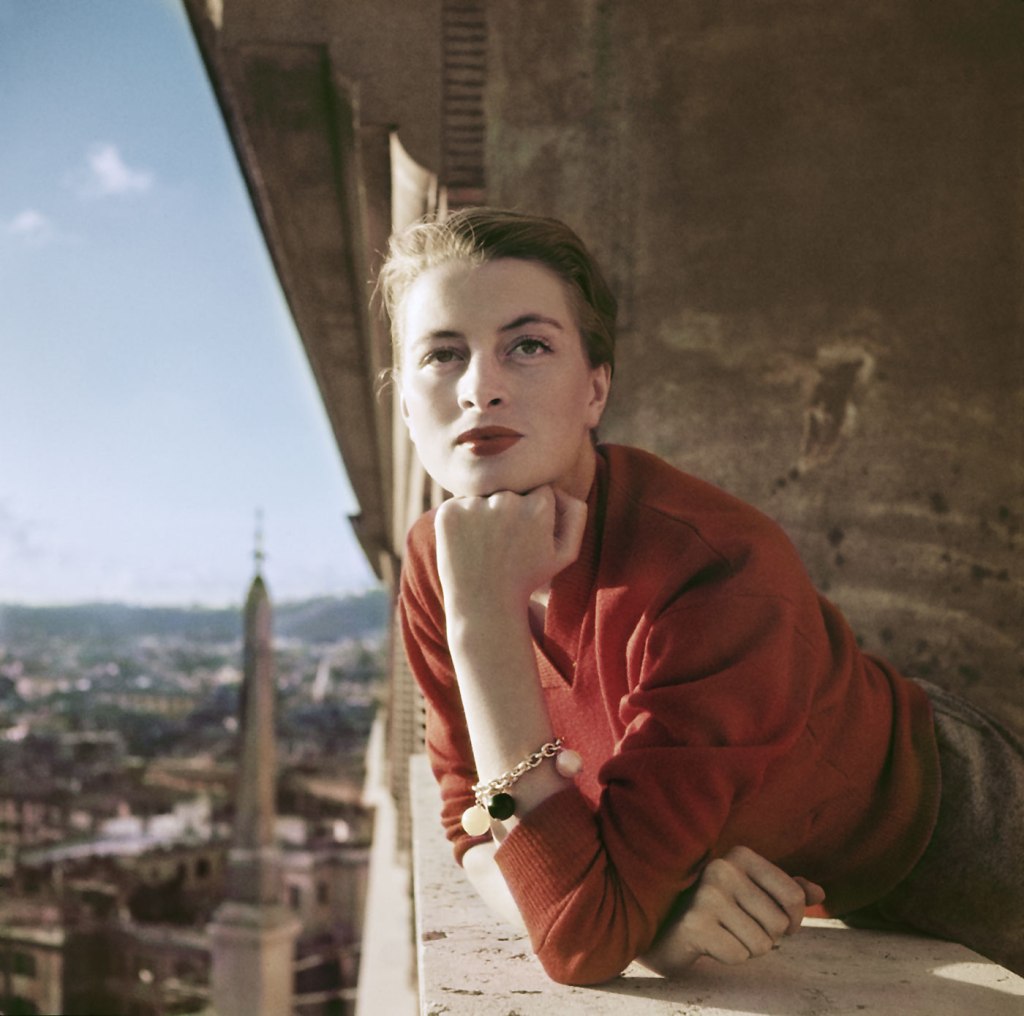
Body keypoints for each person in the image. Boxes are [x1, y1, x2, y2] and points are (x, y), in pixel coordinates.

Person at [380, 207, 1024, 986]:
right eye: (443, 355)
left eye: (528, 346)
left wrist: (484, 627)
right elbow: (473, 829)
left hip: (944, 831)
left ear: (594, 389)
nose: (481, 388)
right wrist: (652, 921)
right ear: (408, 409)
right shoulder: (435, 561)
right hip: (758, 874)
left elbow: (577, 934)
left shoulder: (715, 570)